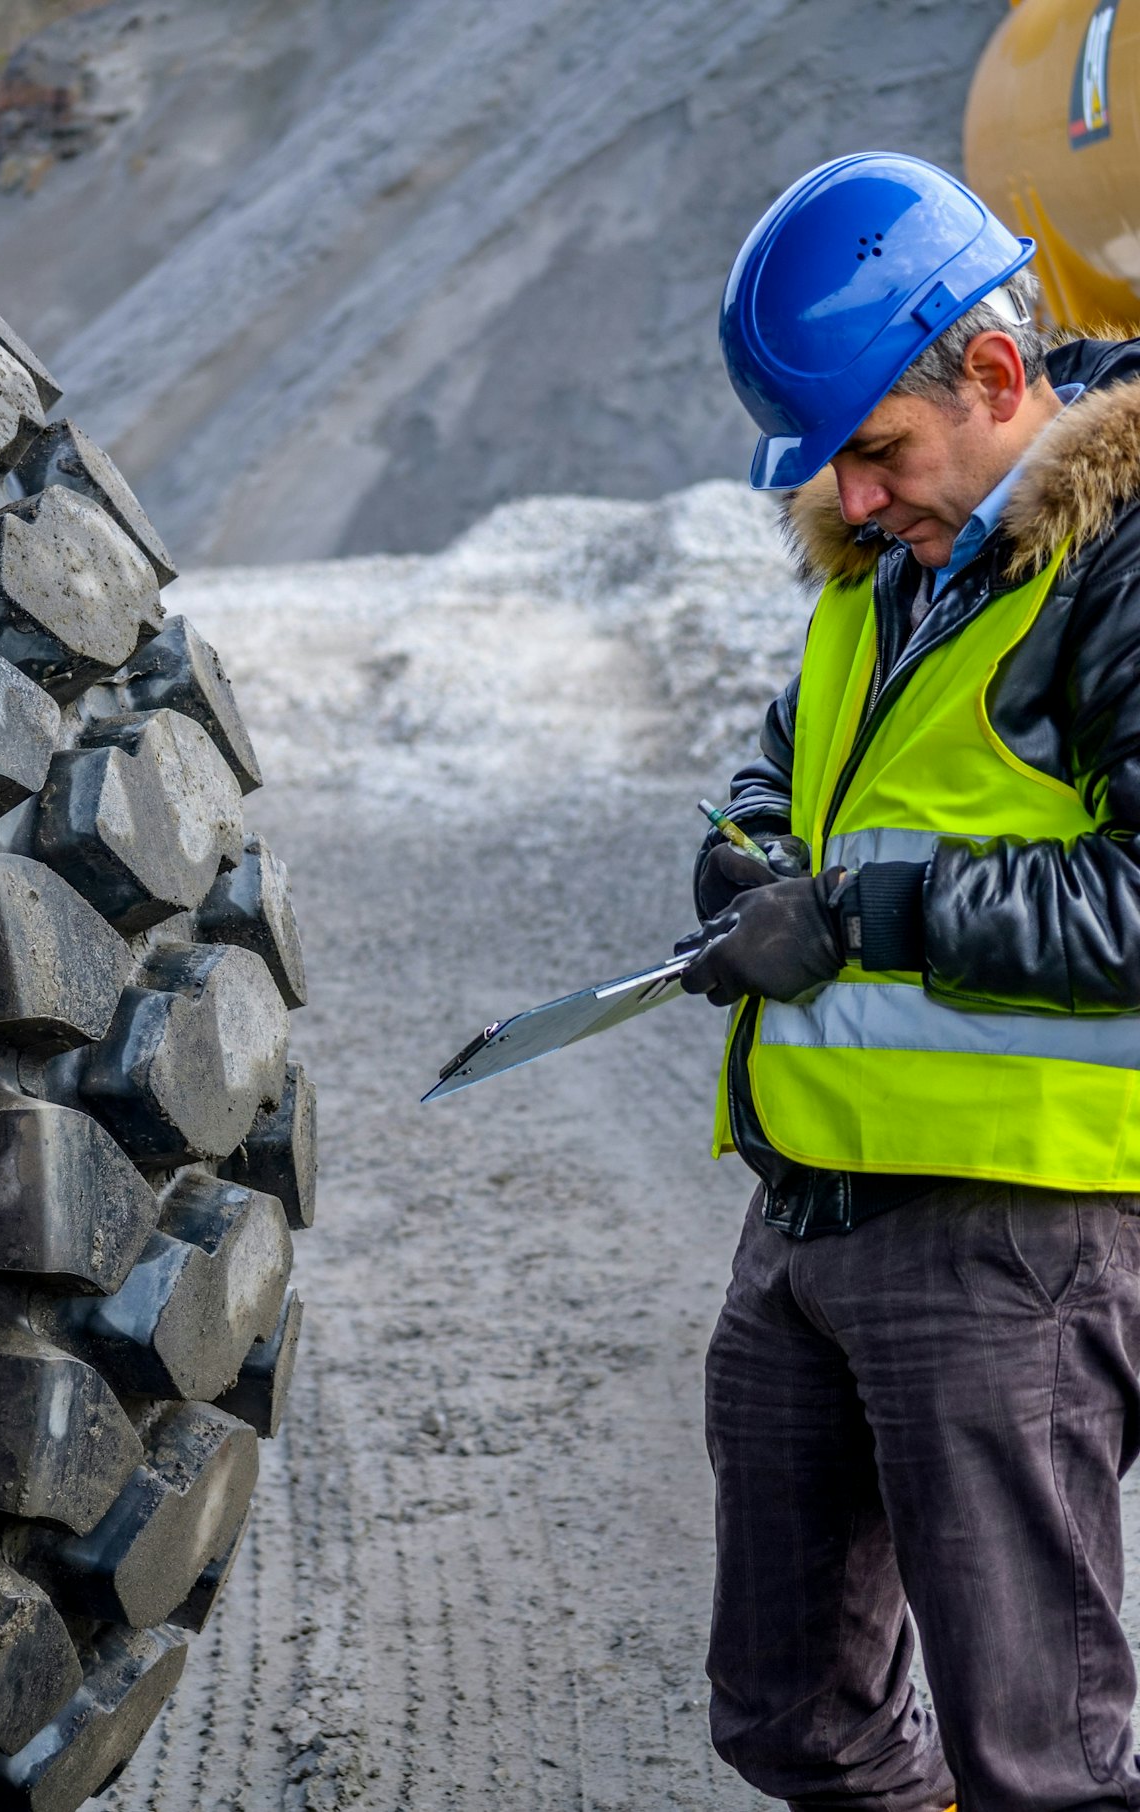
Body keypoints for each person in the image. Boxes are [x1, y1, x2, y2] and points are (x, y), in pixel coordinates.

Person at [680, 150, 1140, 1812]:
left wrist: (868, 914)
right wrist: (743, 843)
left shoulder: (1122, 566)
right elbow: (794, 753)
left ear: (1001, 376)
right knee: (791, 1714)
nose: (853, 501)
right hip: (812, 1210)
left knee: (1044, 1762)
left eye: (877, 452)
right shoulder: (887, 554)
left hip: (1014, 1237)